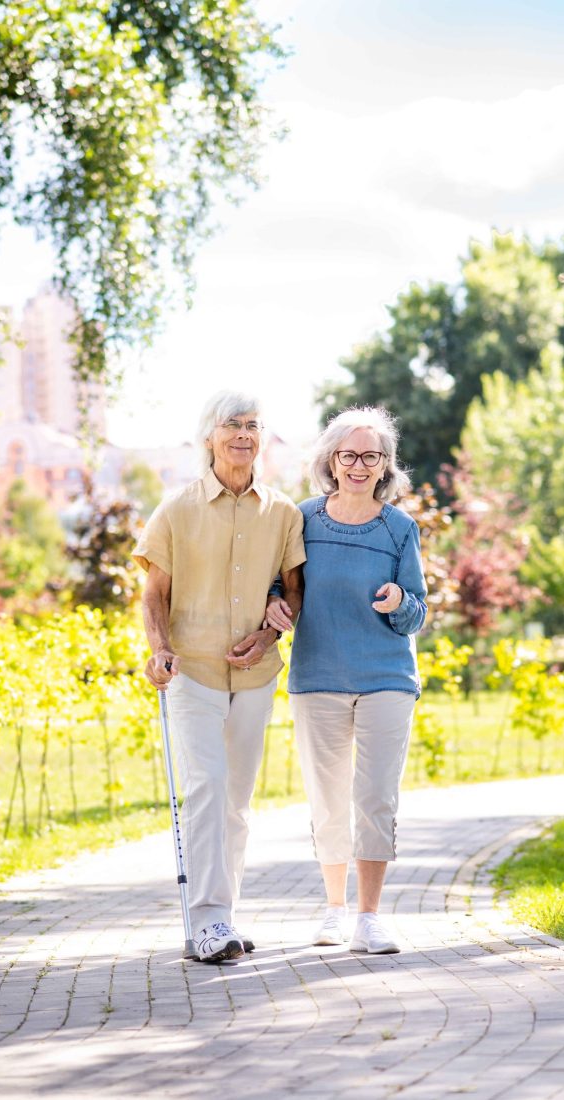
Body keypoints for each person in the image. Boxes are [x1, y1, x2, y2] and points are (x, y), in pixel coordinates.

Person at [132, 391, 304, 964]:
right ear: (209, 437)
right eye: (232, 425)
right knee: (205, 788)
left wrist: (269, 634)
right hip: (192, 672)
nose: (243, 434)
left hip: (254, 676)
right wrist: (159, 650)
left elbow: (292, 593)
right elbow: (153, 593)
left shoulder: (282, 512)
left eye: (253, 425)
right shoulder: (176, 510)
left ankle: (223, 915)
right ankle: (205, 922)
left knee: (237, 800)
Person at [266, 407, 426, 955]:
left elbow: (418, 611)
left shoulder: (400, 528)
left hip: (386, 677)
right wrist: (273, 608)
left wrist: (401, 601)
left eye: (371, 456)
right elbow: (278, 585)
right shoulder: (301, 519)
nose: (359, 465)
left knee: (376, 798)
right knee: (328, 800)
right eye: (349, 454)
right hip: (318, 678)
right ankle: (334, 910)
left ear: (385, 465)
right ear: (331, 460)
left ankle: (370, 916)